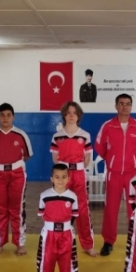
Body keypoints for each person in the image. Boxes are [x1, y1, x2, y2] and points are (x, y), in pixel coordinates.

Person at [95, 94, 136, 256]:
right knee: (111, 209)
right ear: (116, 106)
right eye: (121, 103)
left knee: (134, 208)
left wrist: (135, 162)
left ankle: (135, 239)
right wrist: (112, 160)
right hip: (114, 174)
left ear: (131, 106)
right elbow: (99, 146)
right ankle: (108, 241)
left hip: (133, 174)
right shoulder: (108, 126)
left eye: (127, 104)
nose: (124, 106)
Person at [0, 103, 33, 256]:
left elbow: (27, 155)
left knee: (17, 208)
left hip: (17, 174)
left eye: (8, 115)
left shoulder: (21, 135)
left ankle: (20, 243)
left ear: (13, 117)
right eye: (2, 115)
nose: (5, 118)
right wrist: (0, 165)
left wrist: (13, 165)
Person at [50, 101, 97, 256]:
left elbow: (87, 159)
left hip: (79, 175)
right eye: (68, 112)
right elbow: (55, 159)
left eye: (74, 112)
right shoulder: (57, 136)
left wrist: (77, 168)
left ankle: (87, 244)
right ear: (64, 115)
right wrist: (62, 174)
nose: (71, 115)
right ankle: (59, 242)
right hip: (63, 176)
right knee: (61, 208)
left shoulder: (85, 135)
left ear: (79, 116)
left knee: (82, 210)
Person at [36, 163, 79, 272]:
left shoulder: (72, 196)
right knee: (46, 264)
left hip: (66, 234)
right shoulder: (44, 196)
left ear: (68, 179)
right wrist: (52, 226)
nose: (60, 180)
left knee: (67, 264)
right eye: (57, 177)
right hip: (49, 234)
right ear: (51, 179)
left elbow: (74, 216)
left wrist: (65, 227)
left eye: (64, 177)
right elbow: (42, 214)